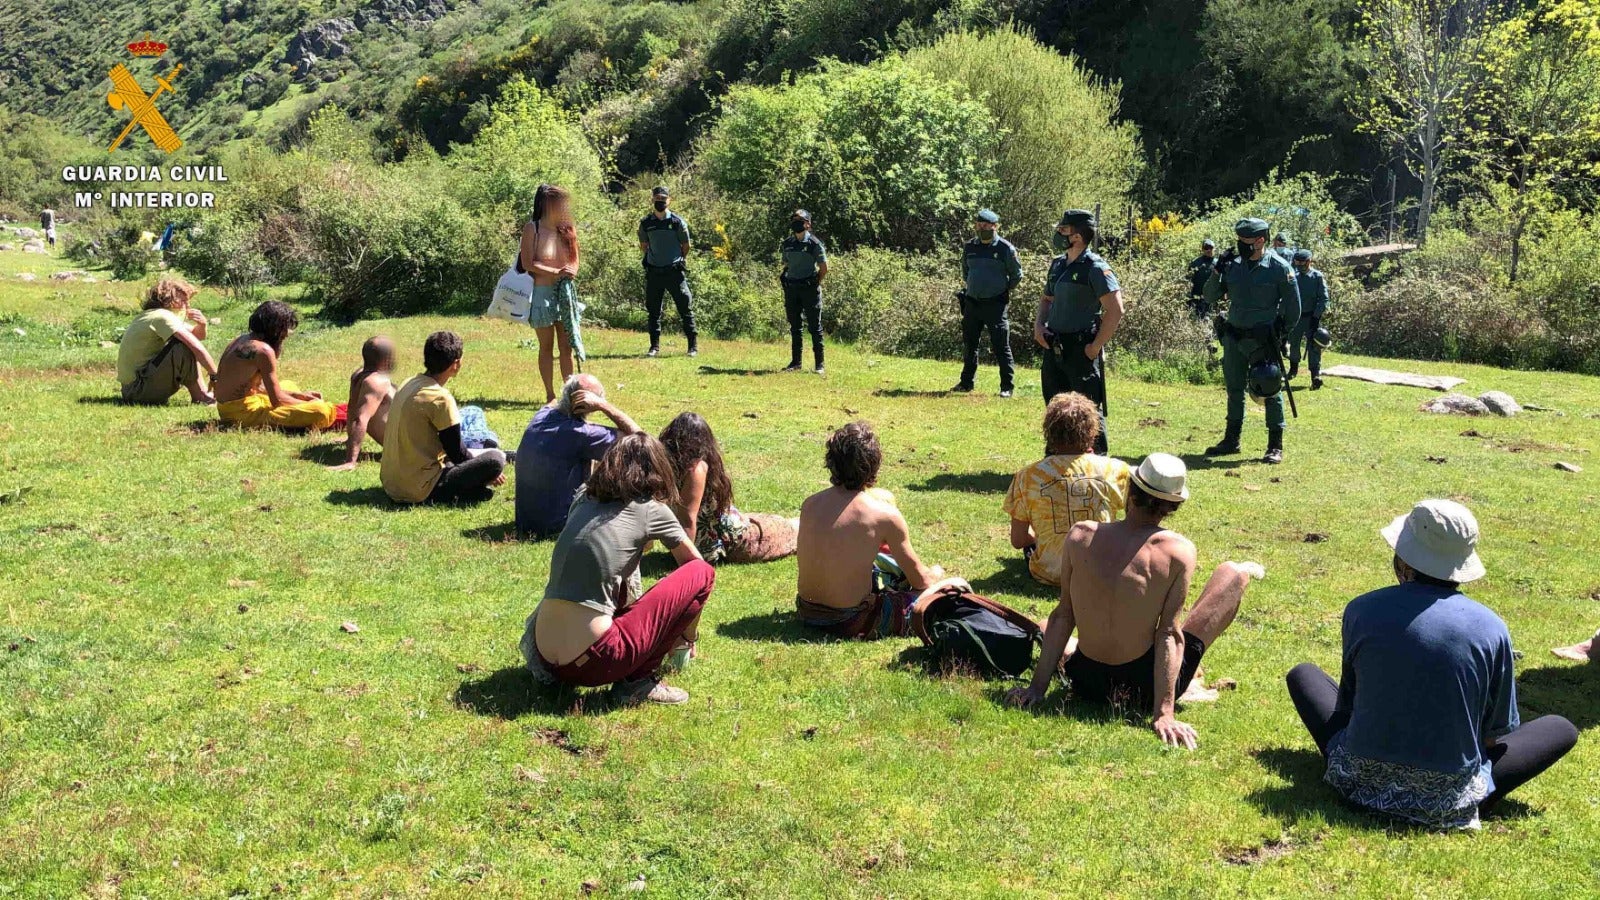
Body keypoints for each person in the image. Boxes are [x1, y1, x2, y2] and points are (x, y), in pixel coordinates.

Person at [1285, 500, 1577, 830]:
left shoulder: (1362, 609)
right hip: (1446, 800)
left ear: (1405, 561)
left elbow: (1347, 710)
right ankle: (1467, 799)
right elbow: (1494, 738)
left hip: (1357, 784)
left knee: (1304, 675)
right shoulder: (1492, 628)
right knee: (1560, 728)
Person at [1008, 454, 1258, 749]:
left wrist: (1037, 689)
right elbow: (1168, 633)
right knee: (1233, 574)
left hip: (1086, 681)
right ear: (1173, 506)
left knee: (1050, 622)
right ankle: (1242, 572)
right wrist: (1164, 713)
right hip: (1144, 689)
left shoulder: (1080, 535)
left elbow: (1064, 615)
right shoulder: (1179, 551)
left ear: (1130, 490)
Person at [520, 432, 715, 706]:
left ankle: (626, 673)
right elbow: (694, 564)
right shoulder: (650, 509)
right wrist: (687, 636)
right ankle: (639, 682)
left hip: (544, 657)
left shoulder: (584, 498)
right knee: (702, 574)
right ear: (658, 471)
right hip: (595, 660)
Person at [794, 422, 968, 639]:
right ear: (873, 465)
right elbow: (920, 581)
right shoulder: (883, 515)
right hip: (850, 620)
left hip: (807, 611)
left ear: (831, 462)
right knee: (950, 591)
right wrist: (938, 576)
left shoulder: (810, 504)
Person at [1005, 392, 1131, 587]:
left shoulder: (1027, 477)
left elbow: (1018, 539)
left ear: (1049, 432)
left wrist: (1044, 535)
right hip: (1100, 571)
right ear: (1092, 431)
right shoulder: (1114, 470)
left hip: (1050, 573)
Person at [1202, 217, 1301, 464]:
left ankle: (1275, 445)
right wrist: (1217, 270)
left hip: (1263, 341)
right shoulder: (1233, 266)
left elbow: (1294, 308)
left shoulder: (1279, 268)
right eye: (1239, 241)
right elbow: (1210, 295)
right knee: (1234, 388)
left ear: (1260, 240)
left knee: (1269, 387)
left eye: (1245, 242)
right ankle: (1231, 440)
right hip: (1234, 337)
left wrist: (1281, 332)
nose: (1240, 246)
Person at [380, 331, 507, 504]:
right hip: (420, 488)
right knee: (495, 459)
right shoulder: (440, 397)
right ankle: (468, 492)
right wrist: (485, 474)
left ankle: (472, 490)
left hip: (391, 482)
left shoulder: (408, 383)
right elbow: (457, 454)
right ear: (455, 364)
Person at [1034, 209, 1123, 455]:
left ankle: (1098, 466)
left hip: (1081, 350)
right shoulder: (1058, 264)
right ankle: (1055, 462)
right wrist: (1039, 326)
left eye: (1063, 230)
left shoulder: (1095, 268)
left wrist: (1095, 347)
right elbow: (1046, 299)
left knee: (1088, 412)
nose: (1058, 233)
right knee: (1055, 409)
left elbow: (1115, 310)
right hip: (1054, 347)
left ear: (1077, 236)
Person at [660, 411, 798, 565]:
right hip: (733, 534)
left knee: (793, 529)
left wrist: (683, 565)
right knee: (790, 527)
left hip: (735, 535)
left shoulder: (686, 467)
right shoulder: (686, 467)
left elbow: (687, 520)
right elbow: (687, 520)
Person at [515, 374, 639, 537]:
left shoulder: (541, 415)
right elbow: (640, 439)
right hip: (558, 525)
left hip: (525, 523)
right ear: (584, 404)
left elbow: (558, 410)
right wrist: (604, 405)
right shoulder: (582, 434)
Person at [214, 301, 340, 430]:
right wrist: (308, 403)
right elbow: (277, 401)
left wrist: (296, 395)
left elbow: (256, 386)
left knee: (288, 384)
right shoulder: (263, 350)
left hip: (227, 408)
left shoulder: (241, 339)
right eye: (286, 328)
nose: (287, 333)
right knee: (322, 411)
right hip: (241, 415)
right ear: (276, 329)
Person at [519, 184, 581, 402]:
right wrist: (555, 271)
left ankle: (570, 395)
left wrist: (571, 271)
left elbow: (575, 258)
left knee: (566, 347)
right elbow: (528, 263)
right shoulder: (532, 228)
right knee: (547, 347)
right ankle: (550, 395)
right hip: (542, 293)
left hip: (565, 294)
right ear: (547, 204)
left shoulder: (567, 227)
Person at [951, 208, 1023, 397]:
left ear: (995, 226)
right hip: (972, 303)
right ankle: (966, 383)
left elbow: (1016, 275)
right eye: (980, 224)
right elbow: (965, 271)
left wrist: (1001, 290)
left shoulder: (1005, 249)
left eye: (986, 225)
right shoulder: (970, 247)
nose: (982, 228)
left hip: (996, 305)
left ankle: (1006, 387)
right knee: (970, 345)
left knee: (1001, 346)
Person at [116, 276, 217, 405]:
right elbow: (196, 346)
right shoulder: (162, 317)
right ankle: (201, 396)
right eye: (183, 301)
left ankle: (202, 394)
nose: (187, 306)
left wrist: (202, 325)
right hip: (138, 389)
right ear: (169, 300)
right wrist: (215, 376)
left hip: (131, 389)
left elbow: (198, 336)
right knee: (184, 347)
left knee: (186, 343)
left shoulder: (153, 315)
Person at [639, 186, 697, 358]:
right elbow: (644, 246)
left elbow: (686, 246)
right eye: (657, 199)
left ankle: (692, 347)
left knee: (685, 307)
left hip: (674, 272)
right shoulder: (646, 223)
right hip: (654, 272)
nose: (660, 202)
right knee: (653, 310)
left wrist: (676, 259)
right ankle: (654, 347)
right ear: (652, 200)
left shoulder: (678, 222)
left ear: (669, 201)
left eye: (663, 199)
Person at [328, 336, 396, 472]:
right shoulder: (376, 382)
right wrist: (350, 461)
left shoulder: (359, 376)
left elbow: (352, 409)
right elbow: (359, 418)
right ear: (385, 359)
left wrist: (350, 439)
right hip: (407, 446)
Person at [779, 209, 828, 375]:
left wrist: (815, 282)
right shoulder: (787, 243)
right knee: (795, 327)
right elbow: (786, 264)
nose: (796, 222)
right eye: (794, 219)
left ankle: (819, 364)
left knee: (815, 327)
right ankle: (796, 362)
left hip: (809, 289)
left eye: (800, 220)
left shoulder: (814, 244)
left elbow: (824, 268)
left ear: (808, 224)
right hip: (792, 289)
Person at [1287, 248, 1330, 390]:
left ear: (1309, 262)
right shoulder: (1294, 277)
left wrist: (1316, 316)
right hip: (1296, 317)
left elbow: (1323, 299)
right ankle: (1293, 370)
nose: (1299, 265)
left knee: (1314, 347)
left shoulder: (1317, 277)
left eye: (1302, 263)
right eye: (1297, 262)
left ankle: (1315, 376)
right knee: (1294, 344)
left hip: (1312, 317)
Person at [1186, 239, 1216, 318]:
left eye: (1211, 247)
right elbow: (1188, 282)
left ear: (1214, 248)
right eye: (1206, 248)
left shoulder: (1218, 263)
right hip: (1197, 299)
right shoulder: (1195, 263)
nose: (1209, 250)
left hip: (1212, 300)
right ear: (1202, 249)